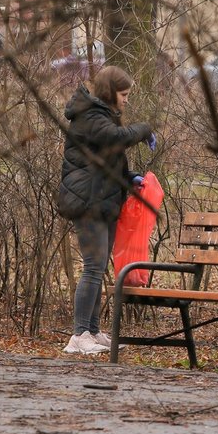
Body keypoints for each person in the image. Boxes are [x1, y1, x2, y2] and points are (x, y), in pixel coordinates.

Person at [57, 66, 156, 354]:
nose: (126, 100)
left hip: (103, 200)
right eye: (124, 94)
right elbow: (116, 137)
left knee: (98, 269)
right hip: (87, 202)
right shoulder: (90, 116)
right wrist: (145, 128)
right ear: (110, 92)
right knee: (92, 267)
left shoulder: (101, 116)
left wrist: (130, 178)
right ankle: (78, 335)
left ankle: (93, 330)